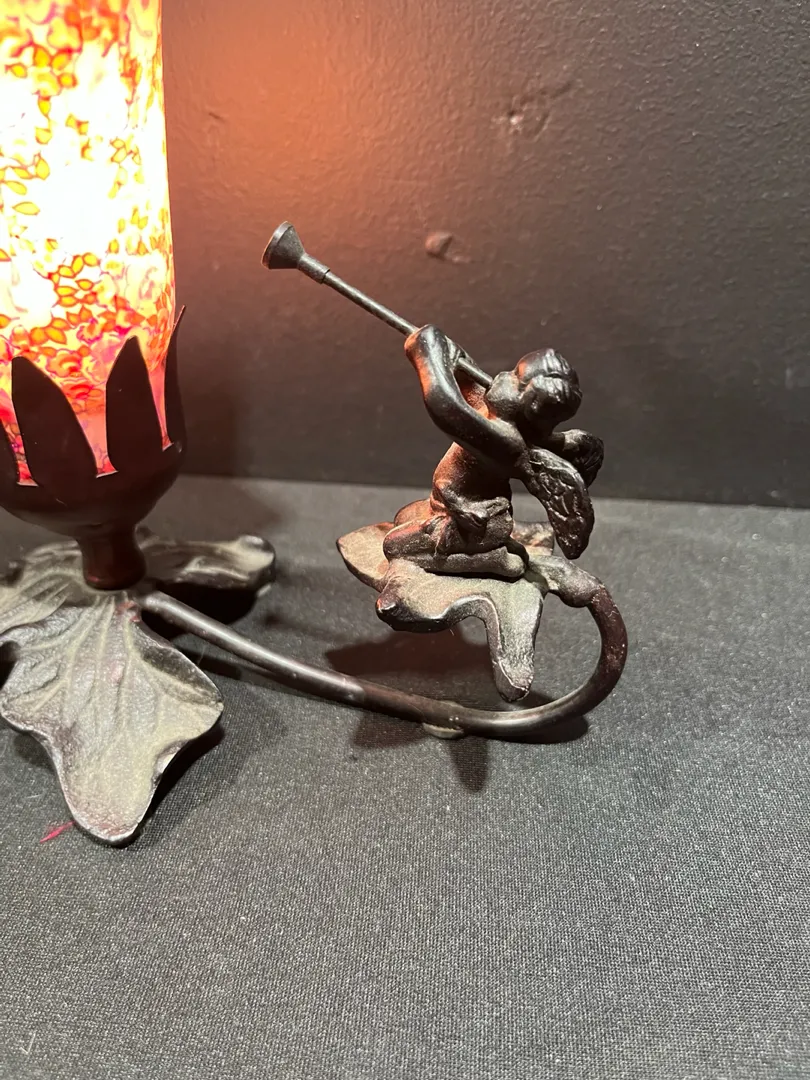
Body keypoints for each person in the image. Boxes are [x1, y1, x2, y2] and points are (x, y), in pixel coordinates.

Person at [382, 325, 604, 575]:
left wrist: (427, 350)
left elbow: (445, 406)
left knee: (393, 546)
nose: (503, 375)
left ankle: (494, 560)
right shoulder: (496, 413)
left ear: (527, 406)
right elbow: (466, 377)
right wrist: (451, 351)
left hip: (474, 519)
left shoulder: (505, 442)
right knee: (403, 517)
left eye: (514, 378)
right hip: (448, 501)